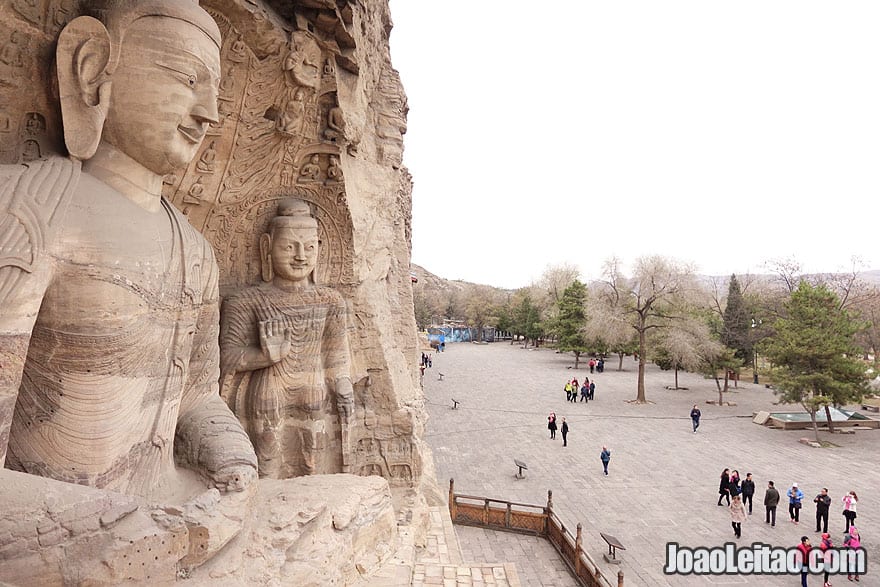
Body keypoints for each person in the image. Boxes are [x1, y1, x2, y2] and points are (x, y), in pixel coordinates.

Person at [0, 0, 258, 565]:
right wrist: (125, 530)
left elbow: (195, 395)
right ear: (94, 70)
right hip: (64, 531)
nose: (209, 112)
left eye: (216, 92)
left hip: (167, 514)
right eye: (186, 78)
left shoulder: (195, 249)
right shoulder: (30, 207)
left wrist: (236, 461)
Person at [220, 199, 355, 478]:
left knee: (314, 463)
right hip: (269, 389)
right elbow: (225, 357)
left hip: (314, 389)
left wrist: (343, 385)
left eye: (309, 247)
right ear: (266, 247)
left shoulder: (330, 300)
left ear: (320, 248)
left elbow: (336, 358)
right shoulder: (245, 301)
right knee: (267, 462)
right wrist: (262, 357)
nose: (300, 256)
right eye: (289, 246)